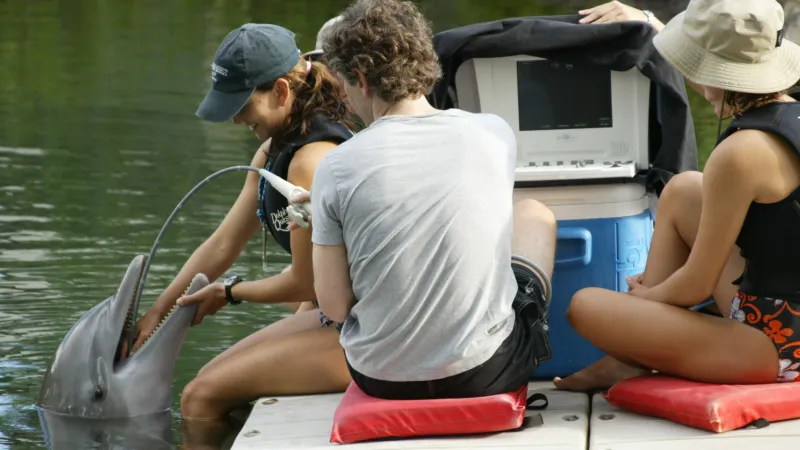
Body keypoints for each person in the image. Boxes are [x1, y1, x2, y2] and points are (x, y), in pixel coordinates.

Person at [295, 0, 555, 401]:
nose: (344, 97)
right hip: (485, 373)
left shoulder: (336, 168)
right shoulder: (494, 133)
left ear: (361, 79)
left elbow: (335, 306)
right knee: (535, 216)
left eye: (344, 83)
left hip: (379, 379)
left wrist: (327, 222)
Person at [554, 0, 800, 392]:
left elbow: (695, 287)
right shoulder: (789, 116)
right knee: (685, 187)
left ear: (706, 74)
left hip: (782, 346)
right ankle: (628, 360)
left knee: (584, 306)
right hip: (785, 308)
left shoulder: (739, 153)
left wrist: (645, 298)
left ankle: (632, 352)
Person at [123, 23, 357, 425]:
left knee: (198, 397)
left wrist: (229, 293)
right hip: (336, 311)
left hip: (368, 330)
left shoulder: (310, 160)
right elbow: (223, 244)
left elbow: (306, 283)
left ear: (282, 91)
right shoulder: (273, 151)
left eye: (242, 105)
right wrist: (156, 314)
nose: (235, 120)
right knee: (215, 381)